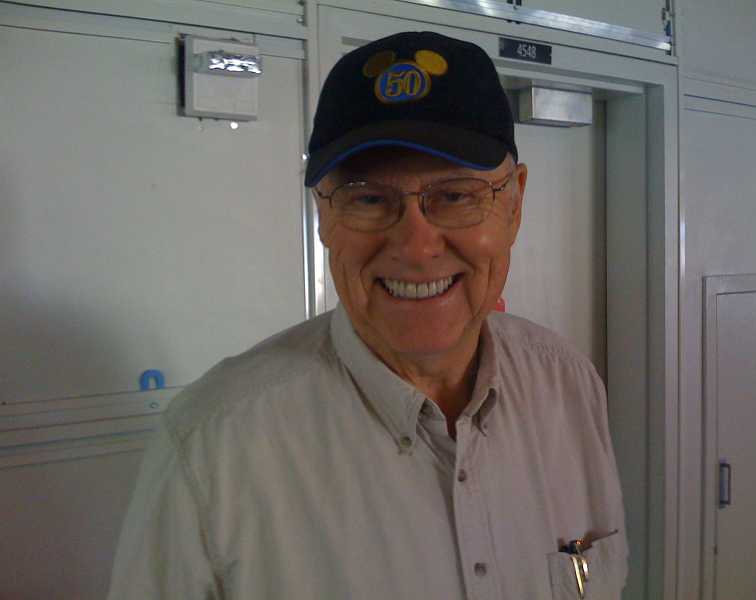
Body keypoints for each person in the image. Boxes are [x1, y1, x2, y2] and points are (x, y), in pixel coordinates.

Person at [107, 31, 628, 600]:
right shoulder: (211, 450)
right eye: (369, 198)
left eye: (456, 195)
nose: (416, 247)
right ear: (324, 218)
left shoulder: (568, 386)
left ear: (515, 204)